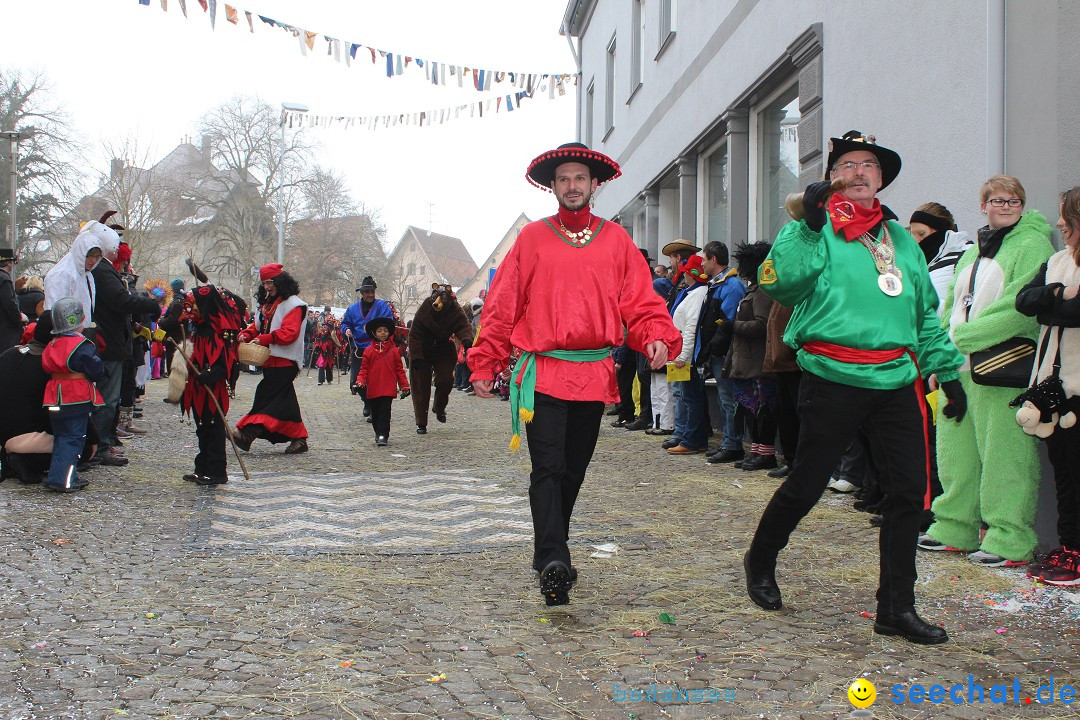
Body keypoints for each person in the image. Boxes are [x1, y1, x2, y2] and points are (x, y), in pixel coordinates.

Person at [743, 130, 967, 645]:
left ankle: (896, 607)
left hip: (896, 378)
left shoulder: (904, 242)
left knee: (909, 492)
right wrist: (808, 226)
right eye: (847, 164)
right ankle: (760, 558)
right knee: (808, 482)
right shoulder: (812, 228)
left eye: (869, 164)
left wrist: (947, 371)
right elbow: (780, 284)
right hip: (830, 374)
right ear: (831, 179)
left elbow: (923, 316)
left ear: (881, 178)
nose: (860, 172)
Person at [468, 142, 681, 606]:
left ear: (594, 185)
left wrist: (655, 334)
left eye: (579, 179)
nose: (571, 186)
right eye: (563, 179)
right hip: (540, 373)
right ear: (552, 186)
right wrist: (486, 360)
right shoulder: (531, 240)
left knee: (573, 472)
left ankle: (551, 549)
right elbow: (503, 306)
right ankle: (554, 560)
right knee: (548, 466)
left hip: (593, 373)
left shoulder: (616, 240)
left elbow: (641, 301)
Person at [919, 175, 1054, 568]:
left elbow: (1017, 307)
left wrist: (962, 337)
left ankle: (1010, 537)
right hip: (958, 368)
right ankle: (954, 525)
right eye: (998, 200)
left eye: (1014, 201)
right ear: (983, 205)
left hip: (1001, 368)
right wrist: (943, 354)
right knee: (954, 451)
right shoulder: (974, 248)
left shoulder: (1032, 244)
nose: (1006, 206)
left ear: (1022, 204)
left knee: (1005, 455)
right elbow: (952, 303)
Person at [1015, 186, 1080, 586]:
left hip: (1079, 387)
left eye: (1066, 217)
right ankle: (1070, 545)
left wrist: (1053, 307)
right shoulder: (1057, 261)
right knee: (1064, 470)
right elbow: (1025, 301)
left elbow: (1073, 316)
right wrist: (1058, 293)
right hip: (1051, 386)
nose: (1059, 223)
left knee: (1076, 469)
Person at [233, 263, 310, 455]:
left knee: (266, 395)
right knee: (285, 401)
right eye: (264, 283)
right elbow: (257, 327)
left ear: (280, 282)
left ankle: (248, 431)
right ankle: (299, 438)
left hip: (286, 360)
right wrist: (247, 334)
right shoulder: (267, 305)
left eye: (270, 282)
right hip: (270, 359)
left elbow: (289, 333)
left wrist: (265, 339)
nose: (267, 287)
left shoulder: (294, 305)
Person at [41, 297, 106, 493]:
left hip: (54, 394)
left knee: (61, 437)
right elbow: (96, 370)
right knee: (73, 438)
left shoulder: (53, 343)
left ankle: (60, 474)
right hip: (75, 395)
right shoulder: (81, 345)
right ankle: (63, 479)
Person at [725, 242, 778, 471]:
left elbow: (762, 325)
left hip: (757, 360)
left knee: (762, 410)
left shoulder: (763, 291)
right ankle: (756, 450)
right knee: (752, 411)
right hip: (746, 359)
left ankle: (766, 453)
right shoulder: (754, 289)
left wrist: (733, 326)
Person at [178, 285, 238, 485]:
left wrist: (208, 375)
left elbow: (223, 365)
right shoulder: (200, 330)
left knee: (213, 428)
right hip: (198, 388)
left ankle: (217, 471)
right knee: (201, 428)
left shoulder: (215, 332)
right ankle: (202, 466)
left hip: (211, 389)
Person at [699, 241, 747, 464]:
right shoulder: (717, 284)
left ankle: (733, 444)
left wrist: (712, 348)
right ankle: (728, 441)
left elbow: (727, 323)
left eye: (704, 259)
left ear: (714, 260)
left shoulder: (731, 286)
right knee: (723, 398)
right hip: (718, 352)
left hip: (727, 352)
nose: (702, 264)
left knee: (729, 399)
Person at [664, 254, 711, 455]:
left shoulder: (698, 294)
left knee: (690, 398)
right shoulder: (693, 292)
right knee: (688, 397)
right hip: (684, 351)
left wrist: (683, 356)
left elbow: (691, 327)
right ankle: (694, 438)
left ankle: (691, 439)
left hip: (688, 355)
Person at [341, 276, 395, 417]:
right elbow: (345, 323)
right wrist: (346, 330)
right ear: (362, 293)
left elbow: (388, 323)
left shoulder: (382, 306)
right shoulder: (352, 309)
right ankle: (367, 402)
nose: (370, 295)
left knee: (374, 381)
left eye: (372, 291)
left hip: (377, 348)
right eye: (367, 292)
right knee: (356, 381)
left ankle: (373, 409)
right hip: (358, 349)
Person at [43, 220, 119, 318]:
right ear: (81, 252)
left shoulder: (86, 274)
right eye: (89, 256)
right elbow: (55, 313)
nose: (93, 261)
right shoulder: (61, 274)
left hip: (80, 330)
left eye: (97, 257)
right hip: (67, 331)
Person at [907, 203, 974, 314]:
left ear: (941, 231)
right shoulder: (918, 263)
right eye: (912, 235)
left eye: (921, 234)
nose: (915, 241)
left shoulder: (965, 257)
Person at [356, 316, 411, 446]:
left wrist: (405, 385)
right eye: (379, 330)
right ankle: (377, 432)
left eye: (385, 330)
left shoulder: (394, 351)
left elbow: (399, 370)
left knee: (385, 413)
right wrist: (360, 380)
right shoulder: (368, 351)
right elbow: (364, 368)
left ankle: (383, 435)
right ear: (374, 333)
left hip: (388, 388)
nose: (382, 333)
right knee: (375, 413)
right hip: (373, 387)